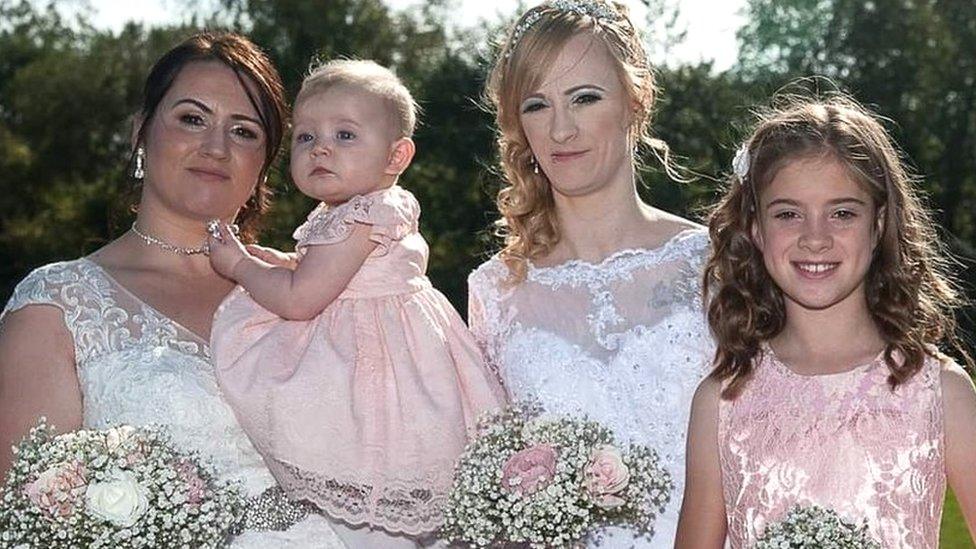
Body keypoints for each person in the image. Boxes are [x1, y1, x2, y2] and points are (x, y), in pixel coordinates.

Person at [0, 32, 345, 547]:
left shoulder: (327, 291)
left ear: (265, 165)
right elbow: (26, 521)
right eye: (192, 118)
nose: (215, 147)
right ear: (141, 132)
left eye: (244, 132)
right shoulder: (57, 306)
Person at [206, 59, 506, 548]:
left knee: (364, 466)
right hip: (395, 348)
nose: (321, 147)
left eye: (345, 135)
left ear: (396, 156)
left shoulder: (367, 212)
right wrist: (284, 260)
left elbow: (302, 298)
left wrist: (239, 265)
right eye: (306, 137)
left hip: (377, 365)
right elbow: (331, 271)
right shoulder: (347, 212)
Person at [675, 95, 976, 547]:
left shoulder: (940, 392)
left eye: (841, 213)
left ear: (877, 225)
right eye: (789, 214)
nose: (815, 238)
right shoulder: (722, 403)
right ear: (756, 228)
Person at [467, 1, 714, 546]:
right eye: (537, 105)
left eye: (584, 97)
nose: (561, 129)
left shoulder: (712, 262)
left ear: (634, 100)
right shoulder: (496, 290)